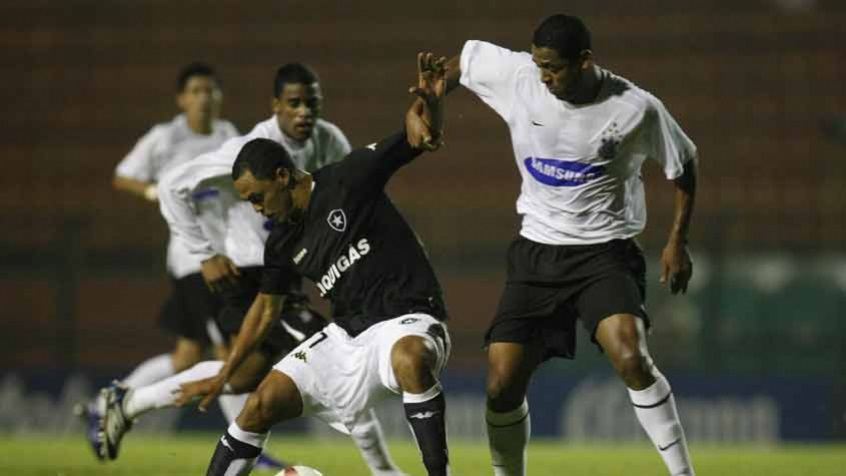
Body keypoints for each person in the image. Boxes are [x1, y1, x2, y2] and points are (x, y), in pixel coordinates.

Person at [96, 63, 408, 476]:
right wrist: (204, 253)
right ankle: (387, 473)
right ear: (275, 105)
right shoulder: (252, 149)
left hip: (284, 277)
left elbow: (349, 198)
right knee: (329, 357)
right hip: (246, 277)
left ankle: (130, 402)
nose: (304, 113)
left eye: (311, 103)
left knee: (241, 376)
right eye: (293, 103)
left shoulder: (329, 140)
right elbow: (173, 186)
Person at [440, 14, 697, 476]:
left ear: (584, 62)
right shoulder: (522, 77)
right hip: (536, 253)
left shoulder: (636, 108)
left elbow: (684, 165)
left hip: (605, 252)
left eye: (554, 68)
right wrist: (433, 97)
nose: (545, 77)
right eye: (539, 65)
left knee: (630, 355)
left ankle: (683, 472)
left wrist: (678, 241)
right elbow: (464, 61)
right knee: (501, 384)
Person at [173, 53, 452, 476]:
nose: (258, 209)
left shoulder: (346, 178)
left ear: (283, 176)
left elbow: (415, 139)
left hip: (410, 317)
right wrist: (225, 374)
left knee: (411, 359)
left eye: (257, 197)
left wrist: (430, 108)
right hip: (346, 337)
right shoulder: (282, 240)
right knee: (259, 405)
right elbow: (265, 310)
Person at [76, 61, 239, 458]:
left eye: (210, 90)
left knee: (188, 355)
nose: (204, 98)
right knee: (231, 352)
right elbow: (123, 174)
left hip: (225, 256)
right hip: (192, 260)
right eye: (196, 91)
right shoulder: (165, 138)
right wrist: (153, 193)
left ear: (219, 97)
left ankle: (107, 404)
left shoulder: (228, 134)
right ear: (182, 99)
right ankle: (246, 441)